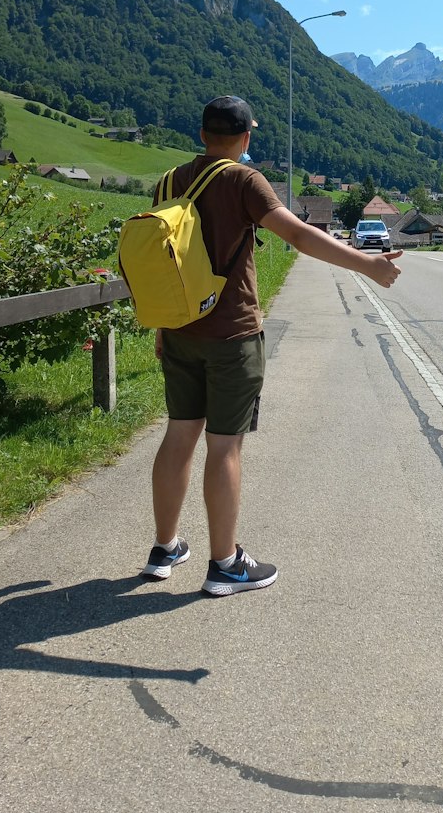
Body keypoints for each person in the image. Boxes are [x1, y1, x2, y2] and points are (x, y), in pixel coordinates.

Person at [141, 95, 402, 597]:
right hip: (232, 336)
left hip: (177, 333)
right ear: (245, 138)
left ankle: (165, 548)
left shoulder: (170, 181)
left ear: (202, 135)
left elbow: (164, 263)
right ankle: (225, 564)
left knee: (178, 438)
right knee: (225, 445)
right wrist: (368, 264)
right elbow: (299, 236)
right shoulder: (244, 180)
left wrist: (161, 326)